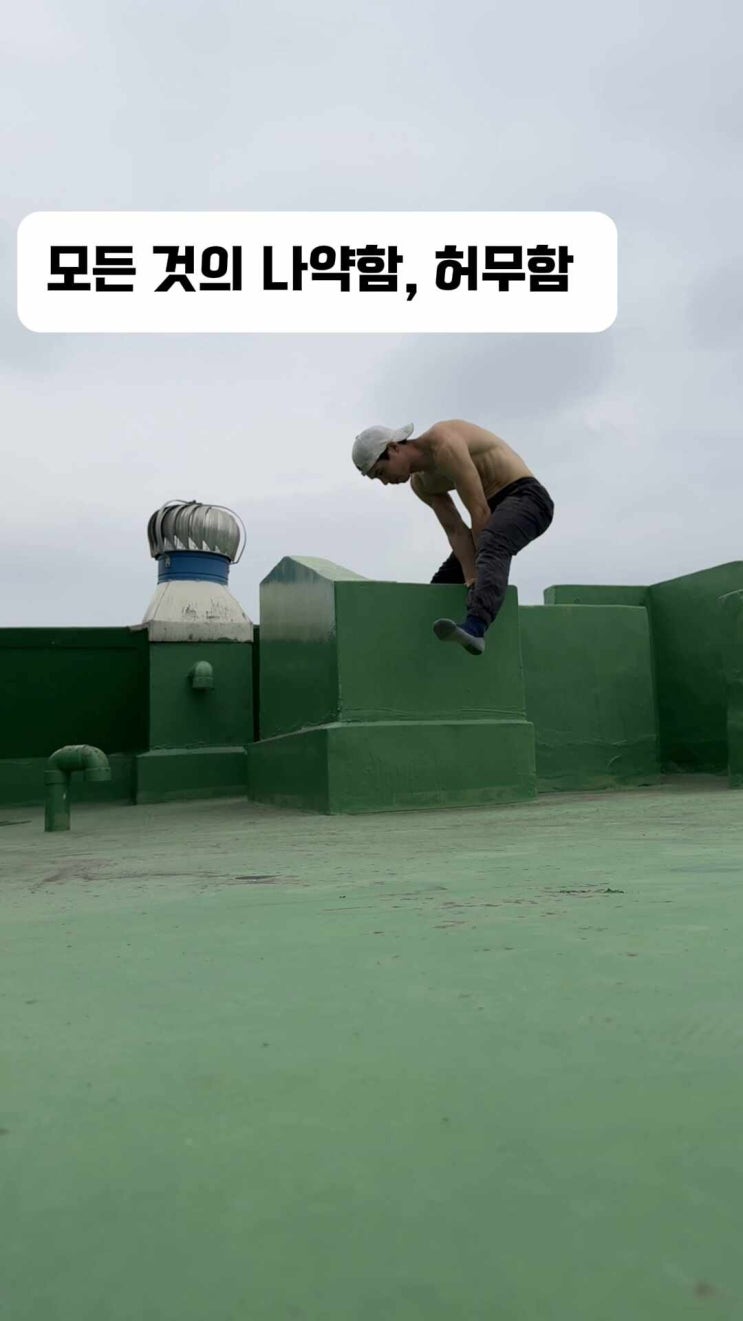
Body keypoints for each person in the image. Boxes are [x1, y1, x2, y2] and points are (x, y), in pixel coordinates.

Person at [352, 418, 554, 655]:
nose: (386, 482)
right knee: (446, 580)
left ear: (394, 448)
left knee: (490, 542)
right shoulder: (421, 484)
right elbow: (456, 531)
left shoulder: (444, 443)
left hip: (527, 498)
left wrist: (479, 585)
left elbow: (479, 512)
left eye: (381, 472)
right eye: (378, 479)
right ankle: (426, 642)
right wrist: (471, 579)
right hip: (492, 512)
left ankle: (477, 626)